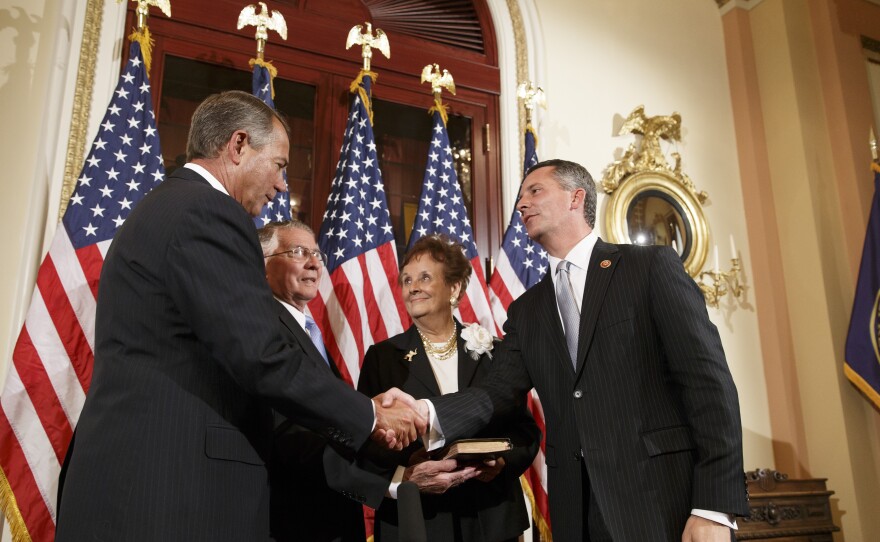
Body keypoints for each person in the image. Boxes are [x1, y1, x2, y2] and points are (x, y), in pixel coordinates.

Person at [55, 90, 423, 541]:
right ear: (238, 145)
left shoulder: (166, 206)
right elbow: (261, 355)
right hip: (172, 491)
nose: (282, 185)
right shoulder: (208, 211)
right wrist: (369, 414)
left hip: (144, 482)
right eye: (280, 165)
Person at [391, 159, 750, 541]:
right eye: (520, 196)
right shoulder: (527, 311)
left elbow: (709, 386)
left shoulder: (648, 268)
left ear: (576, 197)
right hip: (577, 513)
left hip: (662, 501)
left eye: (535, 191)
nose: (521, 205)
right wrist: (424, 411)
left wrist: (714, 506)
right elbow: (495, 394)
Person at [357, 235, 540, 542]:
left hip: (490, 517)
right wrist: (406, 475)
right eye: (406, 280)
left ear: (454, 288)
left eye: (425, 277)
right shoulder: (382, 357)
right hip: (421, 519)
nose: (413, 287)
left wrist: (503, 463)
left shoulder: (496, 350)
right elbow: (365, 441)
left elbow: (526, 432)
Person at [258, 219, 389, 541]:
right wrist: (386, 482)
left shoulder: (304, 330)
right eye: (299, 252)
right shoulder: (264, 330)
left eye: (317, 254)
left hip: (329, 516)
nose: (315, 264)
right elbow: (285, 432)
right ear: (260, 266)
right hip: (294, 521)